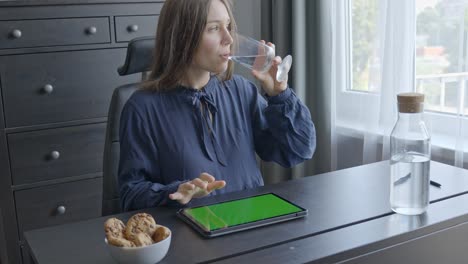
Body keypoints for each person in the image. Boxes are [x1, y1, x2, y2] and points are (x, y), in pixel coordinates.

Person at [118, 0, 316, 211]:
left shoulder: (242, 91)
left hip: (250, 228)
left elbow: (299, 150)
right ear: (182, 36)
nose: (229, 38)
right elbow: (131, 195)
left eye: (228, 26)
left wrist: (280, 95)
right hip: (192, 236)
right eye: (214, 28)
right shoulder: (142, 109)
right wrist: (175, 192)